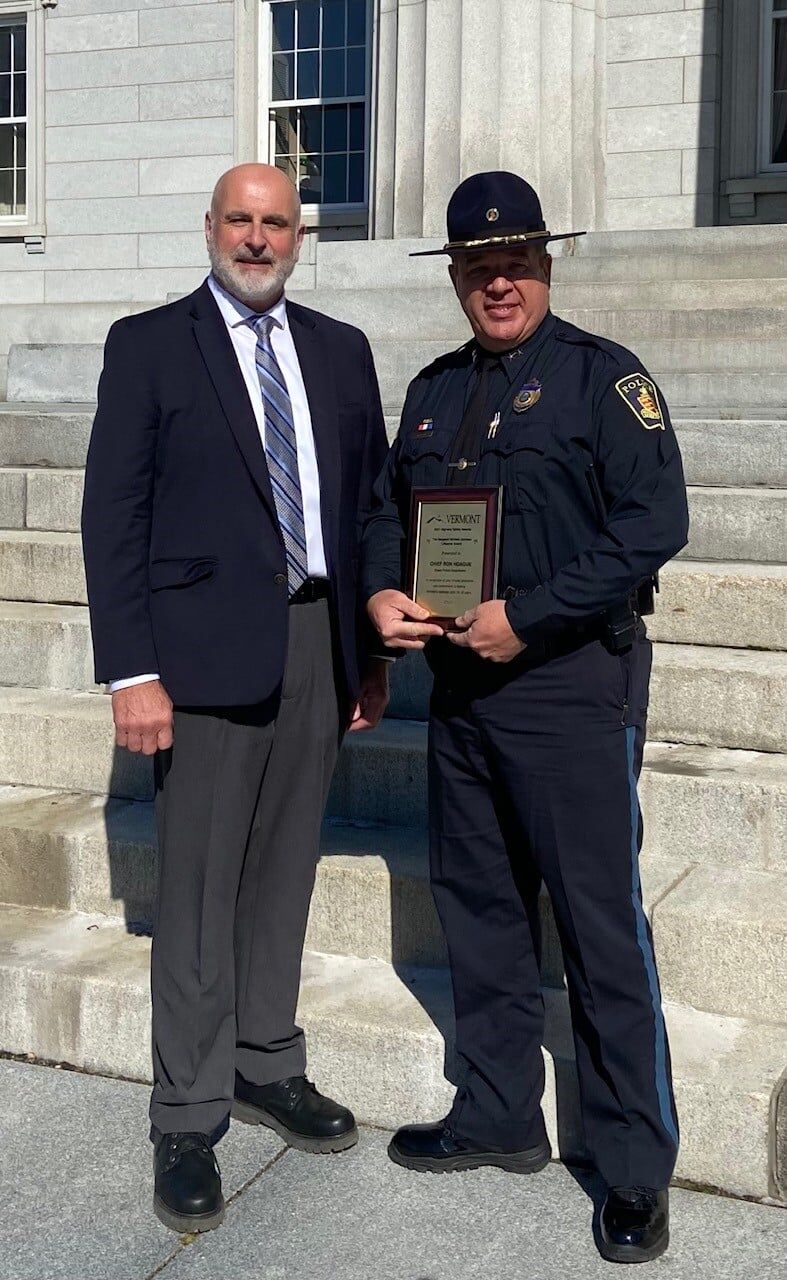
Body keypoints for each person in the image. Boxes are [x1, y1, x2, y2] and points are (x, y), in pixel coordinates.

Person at [361, 171, 689, 1265]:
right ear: (454, 275)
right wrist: (382, 594)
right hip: (459, 688)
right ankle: (498, 1109)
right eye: (477, 265)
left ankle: (632, 1163)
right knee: (481, 908)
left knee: (599, 926)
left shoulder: (606, 381)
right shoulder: (431, 392)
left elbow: (655, 521)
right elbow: (384, 516)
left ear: (546, 264)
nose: (498, 281)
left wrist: (530, 615)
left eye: (516, 261)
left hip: (566, 690)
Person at [81, 164, 390, 1235]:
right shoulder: (150, 343)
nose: (257, 240)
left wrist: (364, 650)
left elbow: (366, 508)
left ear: (300, 236)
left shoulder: (342, 353)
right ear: (209, 227)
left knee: (286, 868)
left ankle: (267, 1061)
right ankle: (186, 1110)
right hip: (198, 658)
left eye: (275, 223)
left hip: (314, 637)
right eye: (239, 221)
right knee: (203, 885)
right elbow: (111, 515)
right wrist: (132, 670)